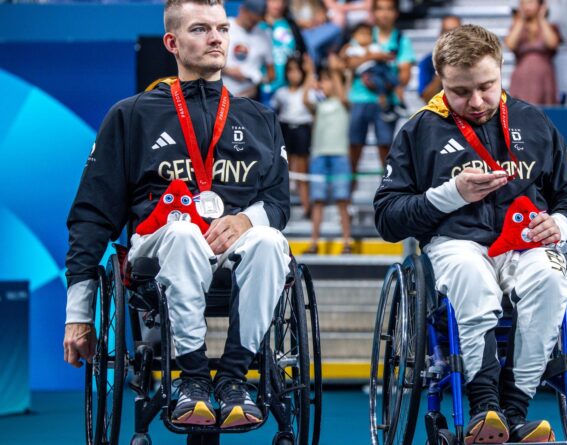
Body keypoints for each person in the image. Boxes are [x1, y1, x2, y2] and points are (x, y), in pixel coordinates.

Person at [63, 0, 291, 429]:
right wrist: (79, 314)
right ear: (172, 42)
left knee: (270, 240)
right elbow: (92, 215)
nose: (216, 38)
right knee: (183, 232)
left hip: (232, 247)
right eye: (201, 29)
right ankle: (192, 379)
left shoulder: (260, 118)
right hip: (159, 246)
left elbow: (278, 204)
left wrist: (247, 221)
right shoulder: (131, 115)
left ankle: (233, 379)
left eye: (222, 28)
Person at [374, 24, 567, 444]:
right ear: (440, 81)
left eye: (486, 87)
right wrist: (448, 195)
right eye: (460, 91)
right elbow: (388, 218)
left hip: (525, 243)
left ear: (502, 72)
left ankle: (513, 411)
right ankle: (484, 406)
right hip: (457, 244)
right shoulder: (418, 132)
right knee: (472, 280)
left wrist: (561, 223)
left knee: (550, 279)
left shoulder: (534, 121)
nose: (475, 102)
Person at [344, 0, 415, 183]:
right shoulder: (364, 32)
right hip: (360, 99)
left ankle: (387, 193)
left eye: (389, 9)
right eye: (380, 9)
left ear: (396, 13)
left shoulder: (401, 40)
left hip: (385, 101)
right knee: (354, 148)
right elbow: (348, 62)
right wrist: (373, 57)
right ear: (374, 12)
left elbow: (405, 75)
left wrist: (386, 82)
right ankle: (349, 195)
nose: (384, 14)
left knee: (385, 148)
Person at [303, 55, 353, 254]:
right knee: (318, 200)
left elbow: (341, 93)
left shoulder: (344, 103)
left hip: (340, 155)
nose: (321, 84)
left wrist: (334, 70)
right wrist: (309, 75)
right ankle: (314, 241)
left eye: (325, 80)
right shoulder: (319, 106)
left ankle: (346, 241)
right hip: (319, 155)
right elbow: (304, 99)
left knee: (343, 200)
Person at [271, 55, 316, 217]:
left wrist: (311, 73)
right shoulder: (281, 93)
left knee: (302, 169)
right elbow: (274, 111)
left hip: (303, 129)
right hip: (285, 128)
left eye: (297, 70)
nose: (294, 74)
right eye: (290, 71)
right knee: (285, 167)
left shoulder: (308, 91)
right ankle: (282, 204)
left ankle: (306, 206)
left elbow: (312, 107)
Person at [506, 0, 561, 106]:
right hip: (522, 77)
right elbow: (510, 45)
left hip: (544, 77)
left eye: (530, 2)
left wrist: (541, 19)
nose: (527, 7)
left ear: (540, 5)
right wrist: (520, 21)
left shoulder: (550, 26)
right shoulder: (517, 27)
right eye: (523, 3)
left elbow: (552, 43)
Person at [343, 22, 398, 118]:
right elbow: (349, 63)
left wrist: (379, 56)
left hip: (380, 69)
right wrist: (370, 56)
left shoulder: (375, 46)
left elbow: (385, 56)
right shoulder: (352, 49)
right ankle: (383, 100)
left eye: (368, 34)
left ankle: (398, 100)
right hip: (368, 74)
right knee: (378, 81)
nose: (365, 36)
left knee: (392, 78)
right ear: (354, 36)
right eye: (361, 33)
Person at [222, 0, 275, 99]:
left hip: (248, 98)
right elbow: (203, 62)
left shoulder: (264, 36)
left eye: (257, 21)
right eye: (251, 19)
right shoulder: (224, 27)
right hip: (220, 94)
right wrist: (227, 70)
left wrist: (257, 82)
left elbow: (271, 74)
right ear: (242, 10)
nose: (253, 23)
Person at [261, 0, 308, 104]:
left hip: (289, 88)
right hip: (265, 88)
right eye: (273, 1)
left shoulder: (291, 25)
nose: (277, 4)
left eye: (281, 1)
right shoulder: (258, 25)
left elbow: (302, 52)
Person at [418, 15, 462, 103]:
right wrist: (441, 71)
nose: (451, 36)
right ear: (440, 35)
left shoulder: (475, 60)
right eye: (446, 32)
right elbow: (426, 98)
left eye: (455, 32)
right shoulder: (428, 62)